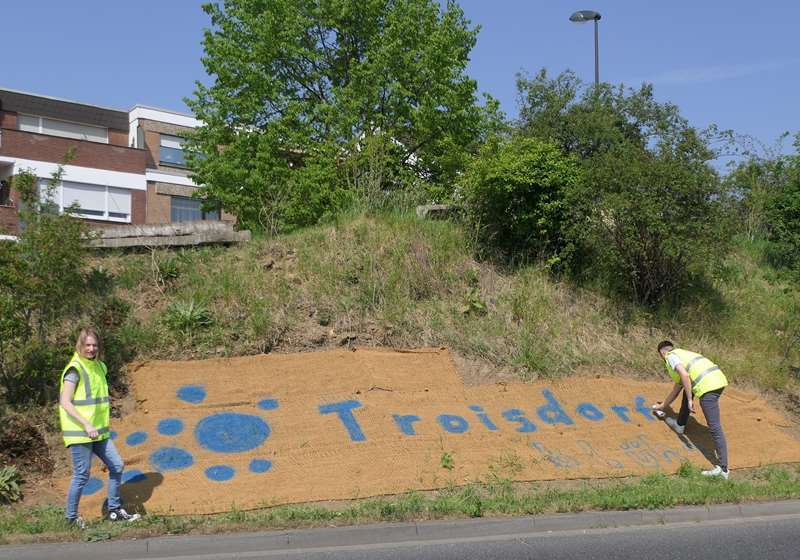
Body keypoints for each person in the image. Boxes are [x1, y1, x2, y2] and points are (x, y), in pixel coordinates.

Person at [59, 327, 141, 528]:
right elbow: (65, 401)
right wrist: (86, 424)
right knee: (81, 475)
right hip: (80, 432)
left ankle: (113, 510)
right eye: (87, 344)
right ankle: (71, 519)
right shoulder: (74, 369)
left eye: (94, 345)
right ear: (80, 345)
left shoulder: (100, 367)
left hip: (99, 432)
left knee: (117, 465)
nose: (91, 348)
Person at [651, 340, 730, 479]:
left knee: (715, 427)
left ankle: (723, 470)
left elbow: (685, 376)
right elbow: (679, 387)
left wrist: (689, 400)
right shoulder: (682, 354)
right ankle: (680, 424)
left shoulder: (670, 356)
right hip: (717, 379)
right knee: (688, 390)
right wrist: (662, 406)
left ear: (662, 353)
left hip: (708, 386)